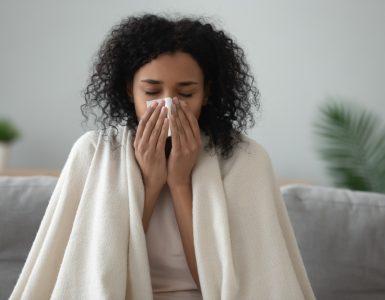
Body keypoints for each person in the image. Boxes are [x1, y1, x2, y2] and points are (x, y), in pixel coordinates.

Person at [9, 13, 315, 300]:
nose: (168, 106)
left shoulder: (244, 159)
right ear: (130, 90)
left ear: (207, 93)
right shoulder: (93, 153)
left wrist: (180, 183)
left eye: (185, 94)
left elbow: (226, 287)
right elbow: (98, 278)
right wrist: (151, 184)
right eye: (152, 92)